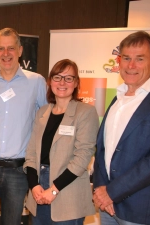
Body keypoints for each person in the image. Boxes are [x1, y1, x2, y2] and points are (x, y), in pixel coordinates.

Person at [93, 31, 150, 225]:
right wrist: (101, 190)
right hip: (107, 207)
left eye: (139, 59)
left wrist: (111, 192)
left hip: (141, 210)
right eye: (126, 58)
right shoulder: (117, 99)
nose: (131, 66)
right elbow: (102, 149)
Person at [0, 27, 48, 225]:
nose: (6, 54)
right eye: (1, 49)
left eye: (10, 48)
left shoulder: (36, 82)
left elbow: (45, 122)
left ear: (20, 50)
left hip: (17, 171)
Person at [24, 59, 98, 225]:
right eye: (57, 77)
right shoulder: (42, 112)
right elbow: (31, 154)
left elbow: (83, 157)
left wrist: (54, 190)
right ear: (50, 81)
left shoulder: (86, 112)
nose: (62, 82)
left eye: (68, 78)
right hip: (39, 191)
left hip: (67, 191)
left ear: (76, 82)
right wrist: (34, 185)